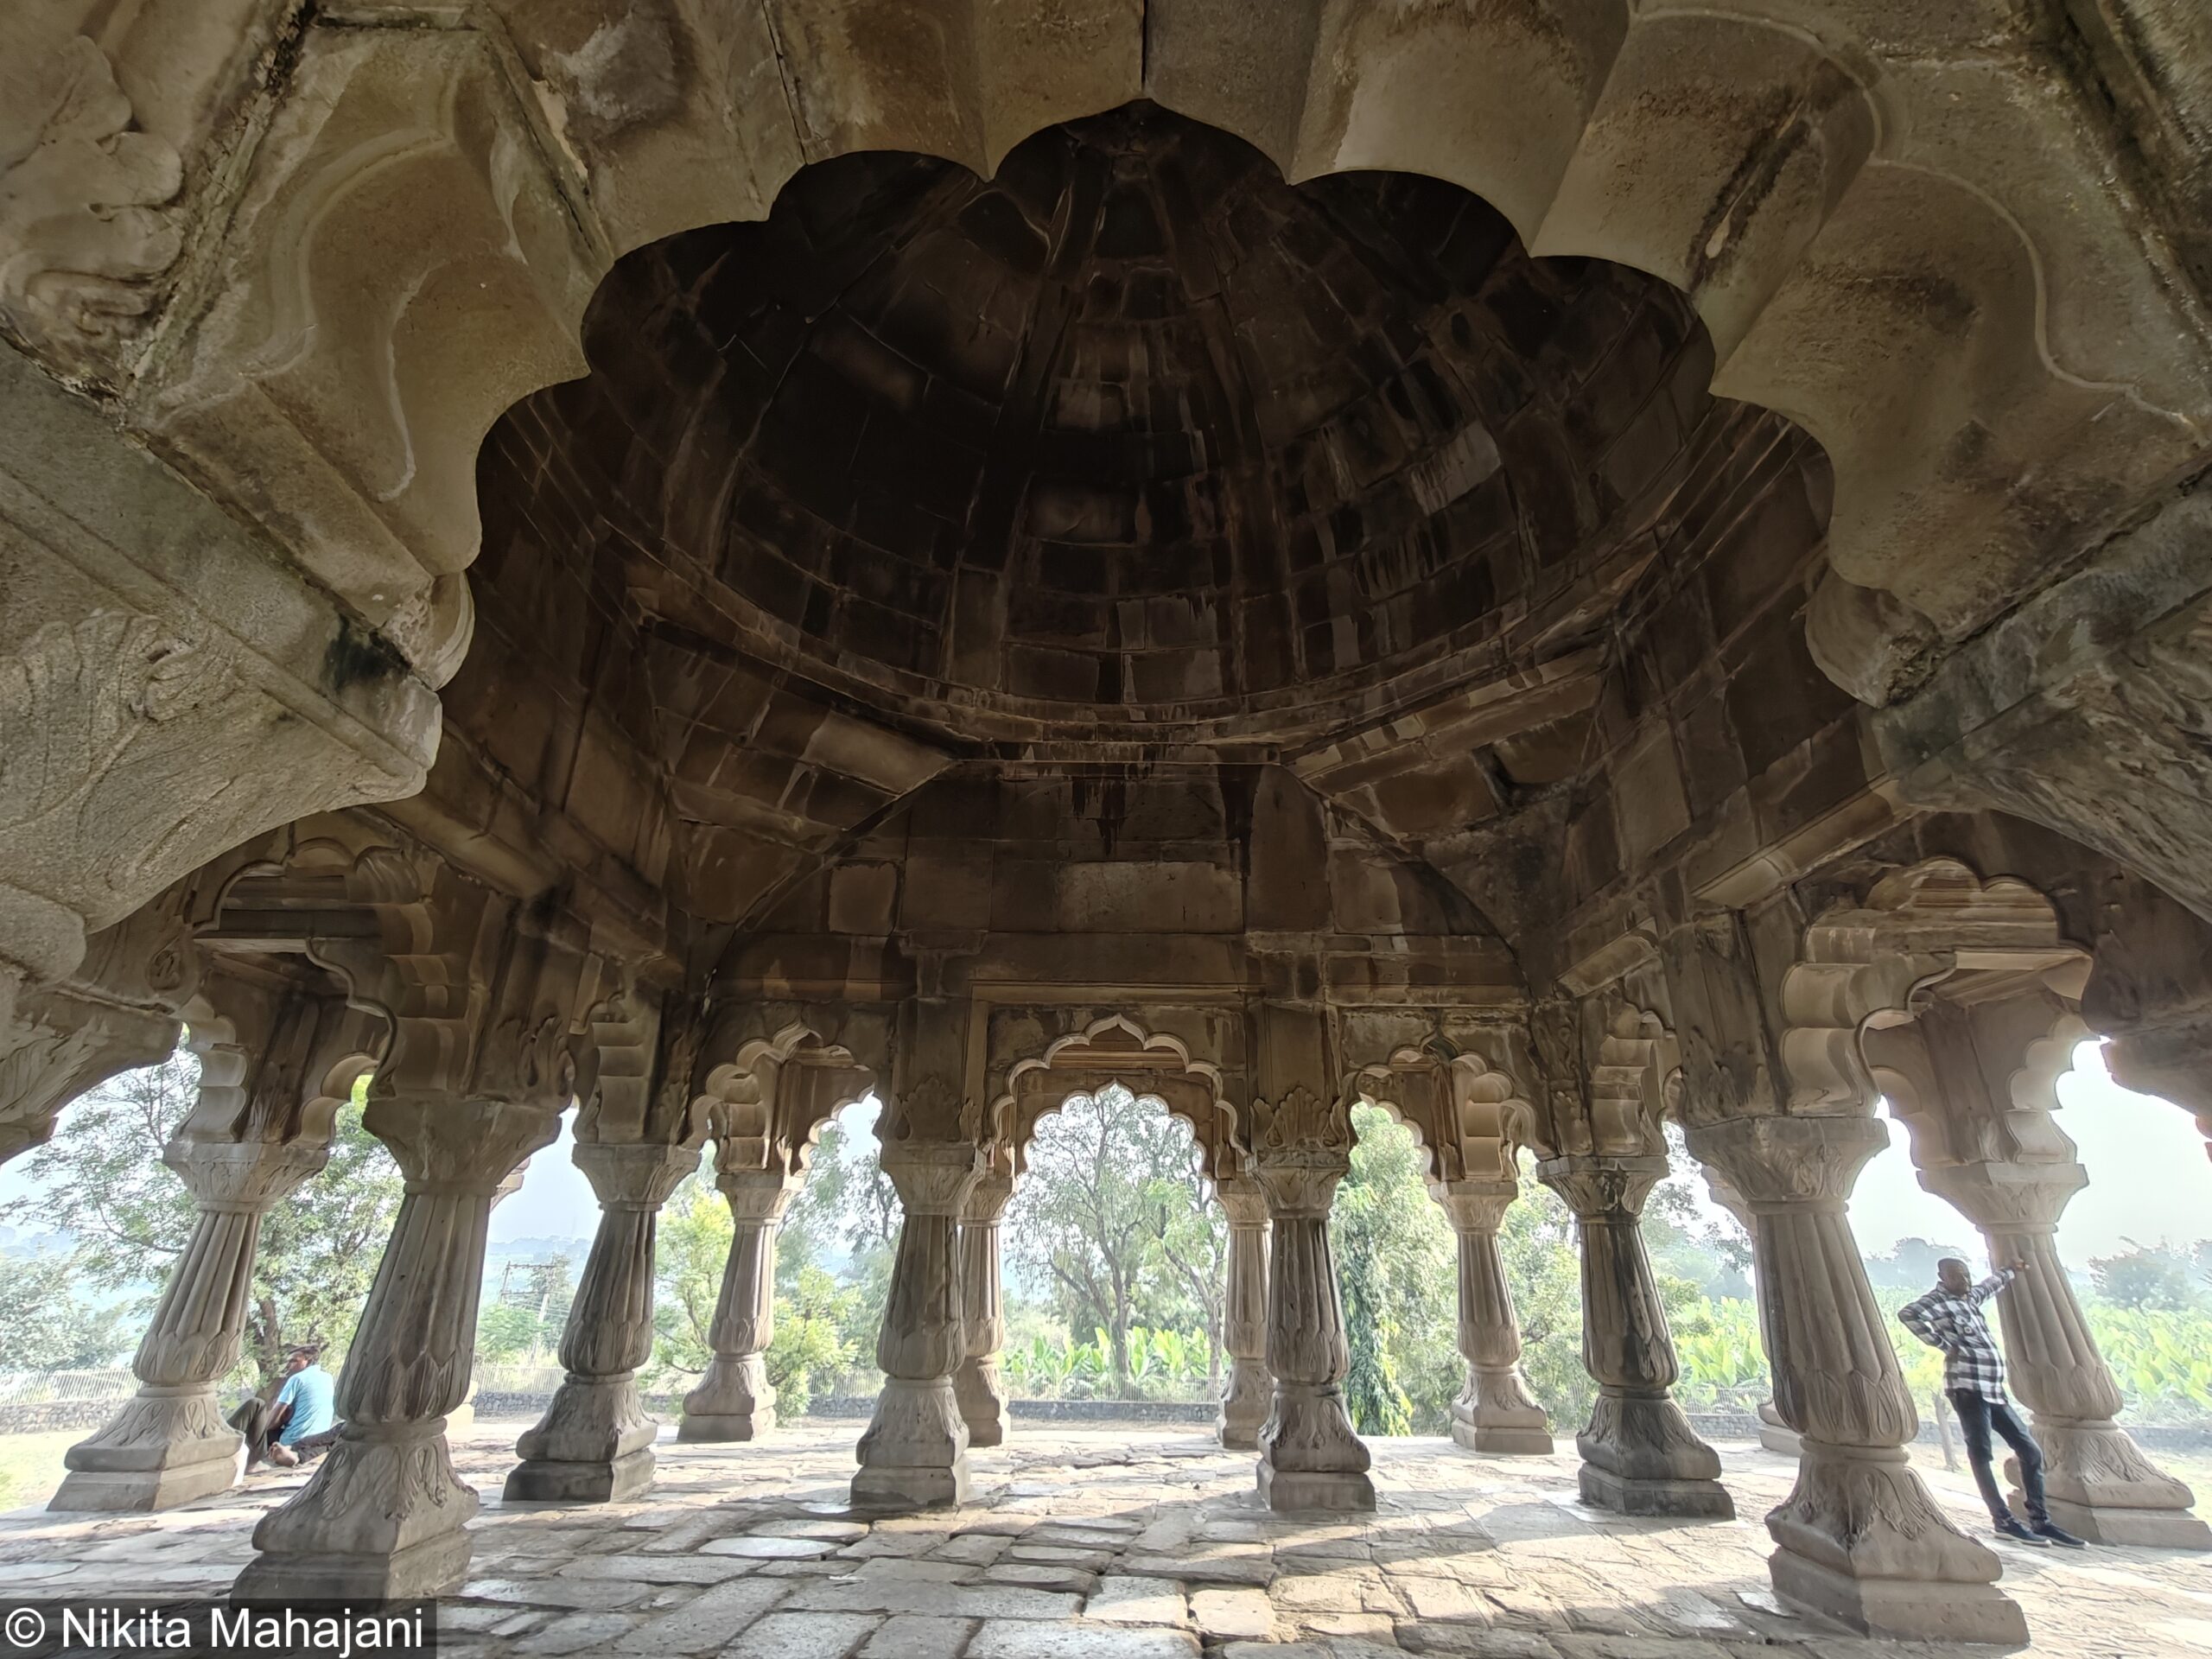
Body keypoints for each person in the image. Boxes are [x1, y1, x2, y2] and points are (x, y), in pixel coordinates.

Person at [1898, 1256, 2084, 1548]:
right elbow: (1908, 1314)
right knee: (1981, 1452)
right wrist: (1943, 1344)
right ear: (1942, 1277)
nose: (1965, 1280)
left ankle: (2041, 1521)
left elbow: (1990, 1285)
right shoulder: (1937, 1301)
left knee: (2030, 1451)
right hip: (1967, 1387)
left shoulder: (1970, 1298)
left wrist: (2011, 1269)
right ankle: (2003, 1520)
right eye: (1957, 1275)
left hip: (1992, 1389)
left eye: (1966, 1274)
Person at [227, 1344, 338, 1470]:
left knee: (255, 1404)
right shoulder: (328, 1378)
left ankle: (242, 1453)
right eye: (288, 1361)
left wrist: (281, 1419)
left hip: (291, 1442)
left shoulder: (297, 1379)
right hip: (315, 1440)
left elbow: (272, 1423)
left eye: (293, 1361)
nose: (289, 1365)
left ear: (309, 1361)